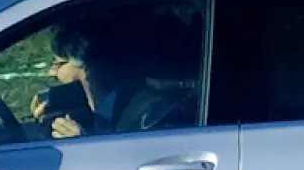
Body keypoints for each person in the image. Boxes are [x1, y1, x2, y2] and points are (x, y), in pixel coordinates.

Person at [29, 12, 199, 139]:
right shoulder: (110, 102)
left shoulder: (149, 115)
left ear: (83, 62)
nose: (51, 72)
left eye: (57, 64)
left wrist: (83, 144)